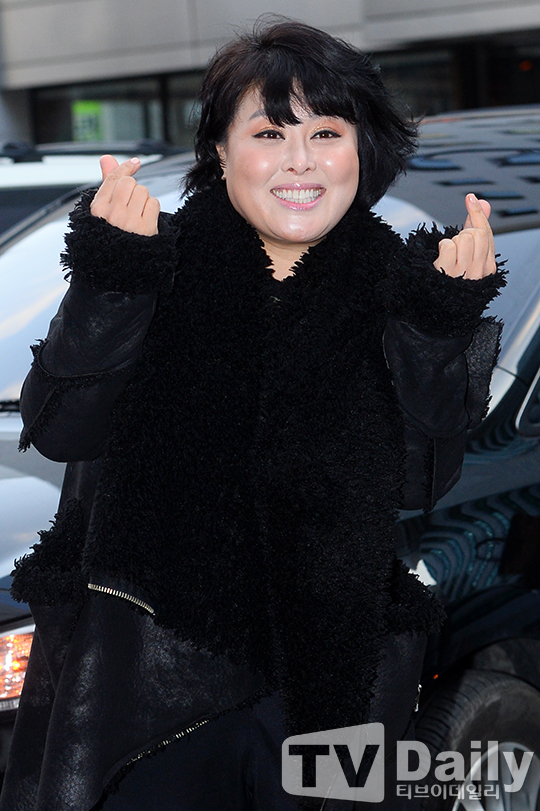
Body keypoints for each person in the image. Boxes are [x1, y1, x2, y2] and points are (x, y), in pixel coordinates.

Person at [0, 17, 504, 811]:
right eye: (270, 132)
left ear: (361, 150)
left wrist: (438, 323)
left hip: (328, 693)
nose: (300, 160)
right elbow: (61, 427)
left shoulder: (400, 292)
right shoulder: (151, 261)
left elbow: (420, 481)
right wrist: (114, 276)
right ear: (221, 150)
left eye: (326, 132)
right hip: (150, 692)